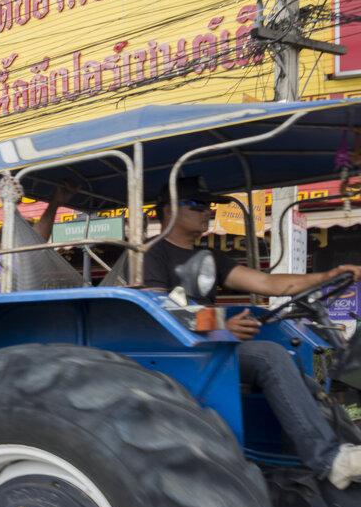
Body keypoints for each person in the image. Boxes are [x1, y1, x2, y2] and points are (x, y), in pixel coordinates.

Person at [143, 175, 361, 490]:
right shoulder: (153, 252)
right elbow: (157, 306)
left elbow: (266, 284)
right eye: (199, 205)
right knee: (269, 356)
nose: (208, 212)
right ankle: (328, 460)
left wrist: (327, 275)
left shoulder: (211, 256)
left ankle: (328, 450)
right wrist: (220, 326)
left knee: (298, 360)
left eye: (209, 207)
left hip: (213, 345)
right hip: (177, 350)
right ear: (169, 210)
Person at [0, 180, 78, 293]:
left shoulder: (17, 262)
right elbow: (36, 242)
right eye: (27, 236)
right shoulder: (3, 260)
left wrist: (55, 203)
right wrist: (54, 203)